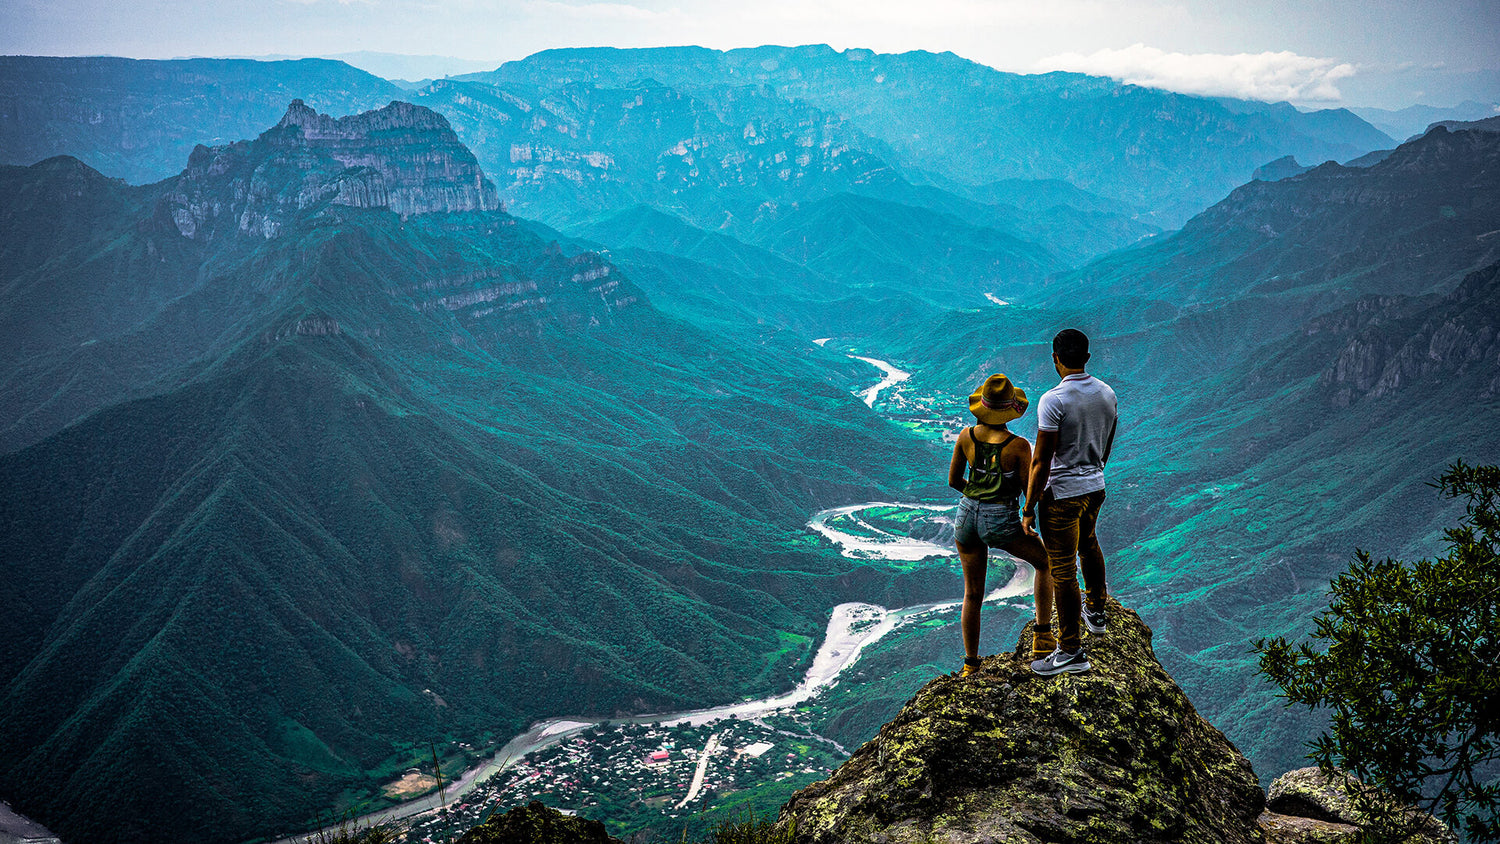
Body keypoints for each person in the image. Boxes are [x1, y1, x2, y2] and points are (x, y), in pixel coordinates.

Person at [1023, 328, 1118, 676]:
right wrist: (1096, 470)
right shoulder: (1107, 394)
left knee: (1062, 571)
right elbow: (1106, 442)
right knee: (1089, 545)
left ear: (1055, 358)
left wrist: (1029, 504)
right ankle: (1096, 610)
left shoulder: (1054, 400)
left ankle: (1070, 651)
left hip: (1061, 493)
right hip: (1096, 486)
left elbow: (1041, 459)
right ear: (1087, 358)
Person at [948, 373, 1056, 678]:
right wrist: (1026, 513)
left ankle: (970, 664)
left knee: (972, 594)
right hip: (999, 519)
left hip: (965, 516)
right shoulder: (1018, 446)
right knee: (1045, 563)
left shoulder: (966, 436)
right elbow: (1028, 491)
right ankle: (1043, 636)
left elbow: (954, 480)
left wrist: (978, 493)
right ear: (1010, 410)